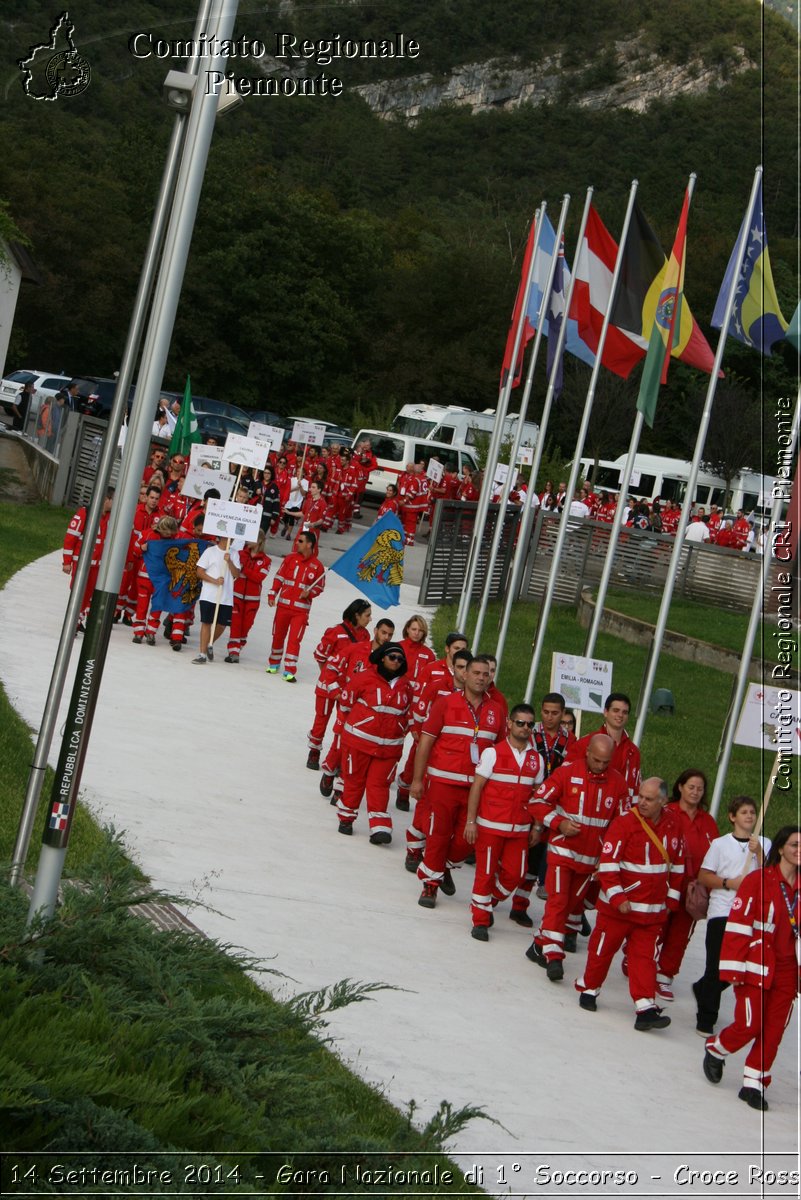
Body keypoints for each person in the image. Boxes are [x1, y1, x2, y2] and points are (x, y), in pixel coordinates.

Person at [702, 826, 800, 1111]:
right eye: (795, 844)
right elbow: (736, 927)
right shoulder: (758, 881)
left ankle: (754, 1082)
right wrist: (733, 971)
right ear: (780, 848)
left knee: (773, 1030)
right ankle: (716, 1048)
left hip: (787, 971)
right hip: (755, 965)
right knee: (749, 1025)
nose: (799, 850)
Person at [575, 777, 684, 1032]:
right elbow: (608, 864)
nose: (641, 802)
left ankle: (645, 1007)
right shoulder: (624, 823)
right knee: (602, 950)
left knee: (644, 959)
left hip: (651, 912)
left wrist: (672, 899)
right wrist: (618, 898)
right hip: (619, 910)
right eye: (640, 797)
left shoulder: (672, 824)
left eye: (649, 799)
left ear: (663, 801)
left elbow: (678, 864)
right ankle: (589, 988)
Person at [525, 734, 628, 981]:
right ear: (587, 753)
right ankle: (554, 956)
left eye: (606, 761)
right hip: (562, 853)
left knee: (569, 907)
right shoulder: (566, 773)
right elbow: (537, 802)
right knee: (558, 903)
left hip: (591, 860)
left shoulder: (618, 783)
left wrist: (609, 857)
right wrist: (559, 824)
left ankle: (539, 945)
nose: (601, 766)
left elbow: (622, 825)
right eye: (597, 760)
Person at [412, 657, 505, 909]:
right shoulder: (445, 704)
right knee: (437, 836)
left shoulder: (496, 710)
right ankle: (430, 885)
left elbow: (501, 751)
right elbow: (425, 743)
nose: (481, 678)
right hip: (443, 783)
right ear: (464, 675)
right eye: (476, 672)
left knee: (466, 841)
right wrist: (417, 779)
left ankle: (444, 866)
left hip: (476, 789)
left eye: (486, 674)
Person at [465, 704, 544, 941]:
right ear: (509, 723)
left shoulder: (536, 759)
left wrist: (537, 826)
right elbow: (477, 787)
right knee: (485, 874)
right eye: (520, 723)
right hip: (490, 826)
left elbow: (539, 795)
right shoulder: (493, 753)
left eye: (530, 724)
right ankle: (480, 920)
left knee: (516, 874)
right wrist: (471, 821)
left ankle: (487, 902)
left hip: (520, 830)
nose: (525, 728)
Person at [693, 796, 770, 1037]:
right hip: (723, 910)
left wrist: (758, 855)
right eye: (744, 812)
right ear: (732, 817)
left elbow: (771, 875)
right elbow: (704, 875)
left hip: (750, 914)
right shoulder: (720, 844)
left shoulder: (764, 844)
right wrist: (729, 883)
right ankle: (706, 1018)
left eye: (752, 812)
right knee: (716, 965)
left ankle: (704, 988)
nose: (749, 816)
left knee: (741, 966)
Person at [510, 692, 576, 926]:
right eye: (546, 712)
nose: (549, 717)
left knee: (538, 854)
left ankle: (519, 905)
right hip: (528, 797)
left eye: (555, 713)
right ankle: (497, 890)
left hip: (554, 804)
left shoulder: (570, 740)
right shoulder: (530, 732)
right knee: (519, 850)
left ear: (563, 713)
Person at [336, 642, 413, 843]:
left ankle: (380, 828)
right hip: (358, 743)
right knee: (354, 782)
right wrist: (347, 732)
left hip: (389, 749)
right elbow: (345, 704)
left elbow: (409, 715)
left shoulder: (406, 686)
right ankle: (346, 818)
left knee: (379, 785)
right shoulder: (364, 678)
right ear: (381, 658)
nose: (396, 662)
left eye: (400, 659)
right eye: (392, 657)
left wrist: (402, 732)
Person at [656, 769, 719, 1001]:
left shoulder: (708, 821)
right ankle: (637, 959)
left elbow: (716, 855)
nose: (695, 792)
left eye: (699, 788)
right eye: (691, 787)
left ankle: (664, 976)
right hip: (666, 882)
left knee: (681, 934)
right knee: (657, 927)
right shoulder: (666, 812)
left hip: (693, 890)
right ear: (680, 787)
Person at [396, 630, 468, 811]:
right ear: (447, 649)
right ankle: (404, 789)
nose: (459, 651)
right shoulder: (432, 669)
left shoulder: (468, 676)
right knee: (414, 760)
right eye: (456, 647)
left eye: (463, 648)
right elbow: (418, 698)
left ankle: (426, 801)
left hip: (449, 734)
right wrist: (415, 726)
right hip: (426, 729)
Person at [307, 598, 372, 769]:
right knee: (321, 719)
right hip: (327, 687)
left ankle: (336, 759)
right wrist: (328, 677)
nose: (370, 619)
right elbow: (320, 656)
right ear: (356, 615)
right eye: (367, 615)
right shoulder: (335, 632)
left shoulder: (365, 636)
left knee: (344, 724)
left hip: (348, 690)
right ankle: (314, 751)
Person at [265, 531, 325, 681]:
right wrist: (272, 594)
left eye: (300, 541)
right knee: (278, 635)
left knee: (294, 640)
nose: (297, 543)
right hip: (283, 607)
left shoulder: (317, 566)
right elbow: (279, 577)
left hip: (300, 612)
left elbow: (320, 587)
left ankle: (290, 670)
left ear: (309, 544)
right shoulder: (290, 558)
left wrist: (309, 593)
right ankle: (274, 663)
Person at [569, 692, 641, 801]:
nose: (620, 715)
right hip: (591, 807)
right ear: (605, 712)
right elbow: (566, 777)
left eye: (625, 712)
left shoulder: (633, 751)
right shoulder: (585, 743)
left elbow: (636, 789)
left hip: (621, 810)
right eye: (616, 710)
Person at [62, 488, 114, 631]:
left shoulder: (109, 517)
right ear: (106, 500)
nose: (114, 503)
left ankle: (78, 621)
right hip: (82, 562)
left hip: (96, 565)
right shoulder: (85, 513)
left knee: (88, 595)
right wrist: (67, 562)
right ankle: (72, 623)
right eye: (113, 500)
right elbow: (70, 537)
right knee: (78, 592)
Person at [224, 530, 272, 663]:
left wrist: (244, 570)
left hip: (253, 600)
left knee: (246, 626)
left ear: (259, 540)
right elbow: (235, 572)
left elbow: (259, 578)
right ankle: (233, 652)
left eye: (250, 538)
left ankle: (238, 648)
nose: (246, 540)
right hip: (237, 596)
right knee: (236, 624)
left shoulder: (266, 560)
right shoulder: (239, 554)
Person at [192, 536, 242, 664]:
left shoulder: (234, 554)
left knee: (222, 624)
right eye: (228, 539)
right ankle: (202, 654)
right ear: (221, 538)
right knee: (206, 622)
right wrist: (215, 581)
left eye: (232, 539)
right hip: (209, 594)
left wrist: (229, 561)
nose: (231, 541)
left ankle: (209, 643)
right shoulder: (210, 551)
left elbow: (237, 574)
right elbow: (199, 572)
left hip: (226, 597)